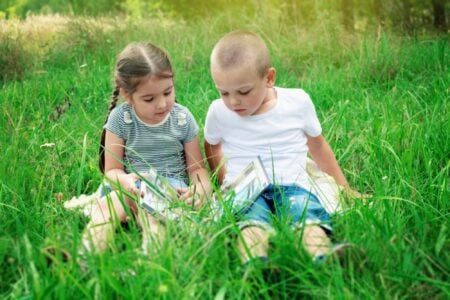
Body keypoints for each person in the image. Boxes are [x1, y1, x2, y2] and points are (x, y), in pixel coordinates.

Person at [204, 31, 365, 266]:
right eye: (223, 92)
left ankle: (324, 256)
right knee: (249, 223)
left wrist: (344, 188)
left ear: (269, 78)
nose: (233, 101)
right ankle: (255, 265)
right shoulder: (218, 112)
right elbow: (211, 146)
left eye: (244, 91)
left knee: (305, 214)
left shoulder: (296, 102)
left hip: (293, 183)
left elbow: (318, 146)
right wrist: (224, 180)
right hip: (245, 188)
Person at [82, 42, 210, 256]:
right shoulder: (120, 120)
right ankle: (84, 257)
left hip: (169, 188)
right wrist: (124, 180)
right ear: (127, 95)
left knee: (152, 218)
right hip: (130, 187)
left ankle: (150, 265)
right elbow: (112, 171)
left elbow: (197, 168)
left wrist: (202, 188)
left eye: (167, 92)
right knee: (105, 208)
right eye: (149, 99)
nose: (161, 104)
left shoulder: (182, 119)